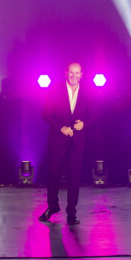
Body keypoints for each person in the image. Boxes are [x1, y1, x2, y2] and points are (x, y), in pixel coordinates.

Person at [39, 62, 92, 225]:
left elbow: (94, 114)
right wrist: (61, 128)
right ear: (66, 73)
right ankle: (52, 207)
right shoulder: (55, 89)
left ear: (81, 74)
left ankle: (71, 213)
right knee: (53, 175)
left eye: (77, 73)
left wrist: (84, 124)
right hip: (57, 139)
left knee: (74, 177)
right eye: (71, 72)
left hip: (77, 141)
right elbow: (46, 114)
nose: (74, 75)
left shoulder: (87, 91)